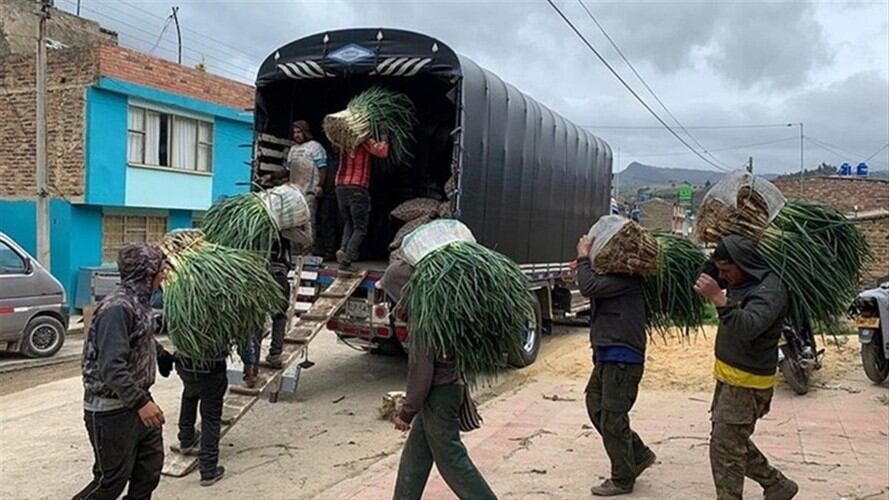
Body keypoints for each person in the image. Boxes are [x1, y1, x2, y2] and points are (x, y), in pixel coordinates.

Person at [379, 256, 497, 500]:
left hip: (440, 395)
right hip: (445, 390)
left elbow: (421, 374)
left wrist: (406, 413)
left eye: (394, 294)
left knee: (452, 460)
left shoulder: (424, 319)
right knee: (416, 455)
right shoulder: (440, 306)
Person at [694, 235, 799, 500]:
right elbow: (704, 279)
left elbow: (749, 327)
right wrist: (716, 260)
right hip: (730, 378)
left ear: (745, 264)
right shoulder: (739, 279)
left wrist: (719, 300)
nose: (723, 276)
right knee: (729, 440)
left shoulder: (771, 289)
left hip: (748, 384)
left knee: (725, 447)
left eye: (727, 270)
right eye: (721, 271)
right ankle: (777, 485)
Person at [75, 244, 169, 500]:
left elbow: (142, 338)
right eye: (161, 270)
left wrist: (163, 357)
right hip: (111, 410)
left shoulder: (139, 302)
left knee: (148, 471)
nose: (164, 275)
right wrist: (141, 403)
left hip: (137, 403)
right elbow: (111, 368)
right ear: (146, 273)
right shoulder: (118, 308)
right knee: (110, 482)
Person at [575, 235, 657, 497]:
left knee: (612, 416)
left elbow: (588, 287)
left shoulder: (627, 279)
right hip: (609, 355)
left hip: (622, 357)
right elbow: (592, 285)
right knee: (595, 404)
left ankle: (622, 478)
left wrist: (582, 257)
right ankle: (638, 453)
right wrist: (581, 268)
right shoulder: (616, 278)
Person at [335, 137, 389, 271]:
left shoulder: (344, 141)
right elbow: (382, 152)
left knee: (349, 222)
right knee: (360, 227)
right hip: (357, 187)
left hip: (340, 187)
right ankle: (347, 260)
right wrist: (384, 138)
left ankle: (343, 248)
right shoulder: (363, 140)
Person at [286, 120, 328, 254]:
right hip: (294, 194)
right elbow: (287, 170)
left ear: (305, 132)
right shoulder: (292, 150)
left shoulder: (315, 147)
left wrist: (320, 186)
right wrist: (272, 176)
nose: (296, 135)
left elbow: (322, 168)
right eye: (294, 132)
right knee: (293, 223)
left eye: (299, 132)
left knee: (308, 223)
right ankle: (295, 252)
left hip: (309, 192)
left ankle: (308, 251)